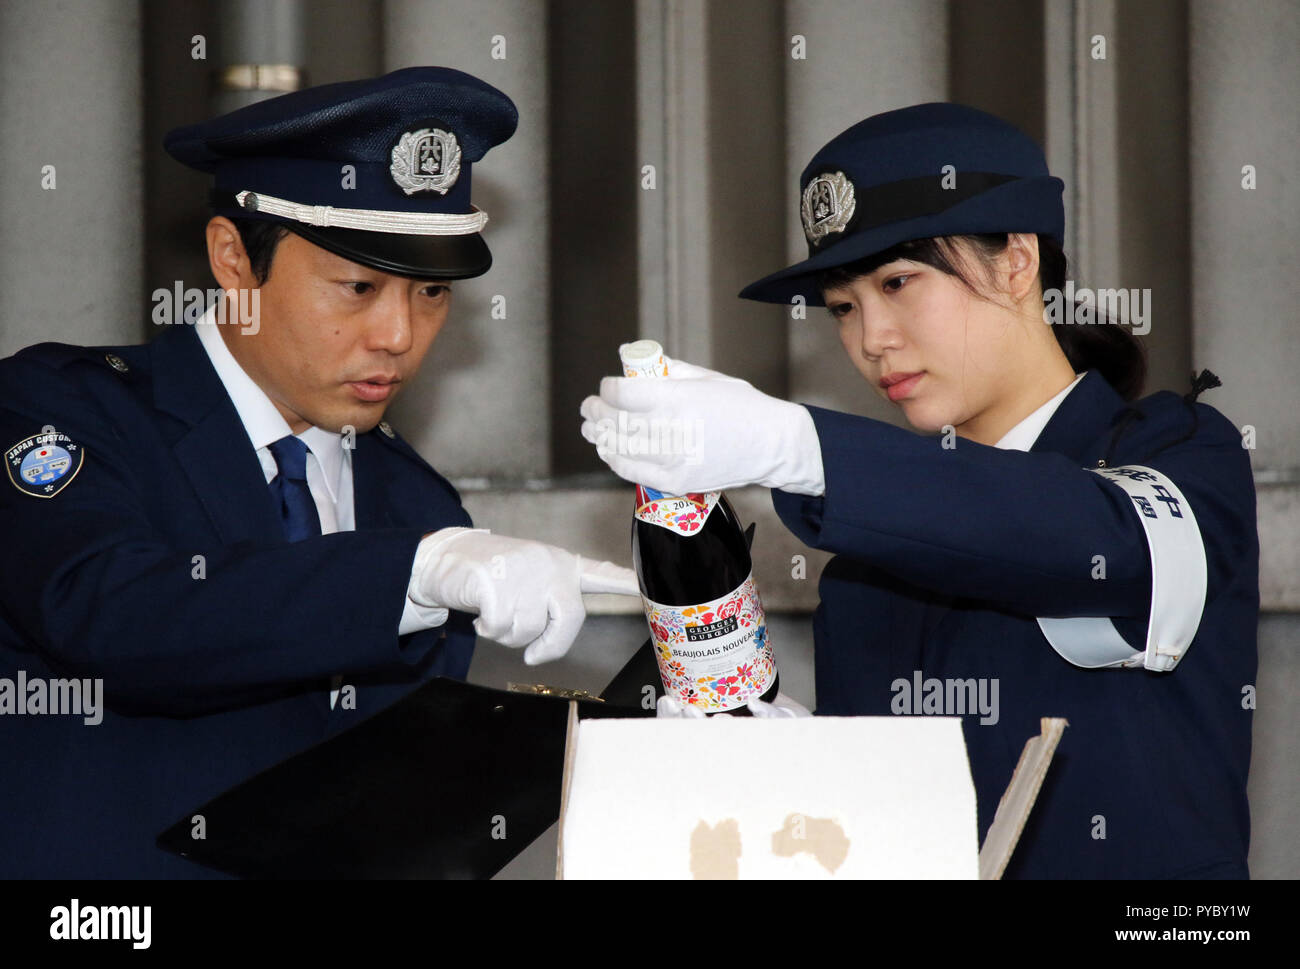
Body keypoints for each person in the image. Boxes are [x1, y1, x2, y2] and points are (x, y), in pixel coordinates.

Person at [580, 102, 1258, 879]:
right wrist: (780, 777)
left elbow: (1084, 534)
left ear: (1017, 263)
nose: (871, 339)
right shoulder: (869, 576)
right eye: (843, 307)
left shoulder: (1179, 455)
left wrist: (799, 446)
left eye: (899, 282)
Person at [0, 66, 638, 878]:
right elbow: (117, 614)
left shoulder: (415, 502)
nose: (399, 335)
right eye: (359, 285)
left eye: (432, 291)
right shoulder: (65, 413)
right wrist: (408, 574)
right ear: (234, 259)